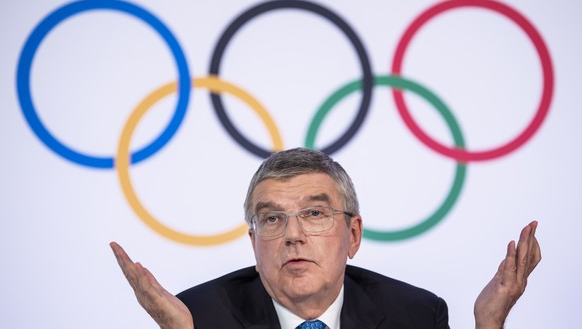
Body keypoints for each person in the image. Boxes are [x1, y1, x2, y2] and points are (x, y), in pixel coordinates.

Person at [111, 147, 541, 329]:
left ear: (353, 235)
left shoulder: (414, 314)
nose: (293, 235)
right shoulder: (199, 317)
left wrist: (490, 325)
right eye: (273, 219)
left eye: (314, 214)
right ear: (253, 242)